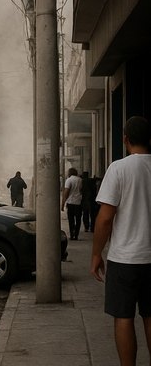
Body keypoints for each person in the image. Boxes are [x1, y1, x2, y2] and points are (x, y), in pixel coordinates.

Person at [90, 116, 151, 366]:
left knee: (123, 317)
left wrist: (96, 254)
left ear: (125, 139)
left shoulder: (119, 168)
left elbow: (105, 219)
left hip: (124, 259)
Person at [61, 167, 83, 240]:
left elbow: (66, 192)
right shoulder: (80, 180)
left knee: (71, 219)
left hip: (70, 202)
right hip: (79, 202)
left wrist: (63, 203)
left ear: (69, 173)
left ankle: (72, 234)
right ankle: (76, 234)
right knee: (78, 219)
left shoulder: (69, 180)